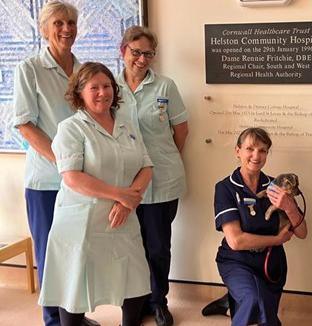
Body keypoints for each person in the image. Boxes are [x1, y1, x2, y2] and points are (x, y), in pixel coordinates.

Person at [38, 62, 153, 326]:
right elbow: (71, 176)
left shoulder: (126, 124)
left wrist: (127, 202)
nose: (103, 92)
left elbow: (147, 166)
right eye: (94, 88)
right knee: (75, 284)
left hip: (121, 216)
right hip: (82, 220)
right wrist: (121, 195)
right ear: (79, 93)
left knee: (134, 278)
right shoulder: (71, 128)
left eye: (107, 86)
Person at [11, 2, 97, 325]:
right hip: (47, 181)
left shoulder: (84, 70)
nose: (66, 29)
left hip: (83, 181)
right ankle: (53, 320)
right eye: (59, 23)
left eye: (71, 23)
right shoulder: (29, 68)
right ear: (45, 29)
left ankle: (74, 315)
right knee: (51, 256)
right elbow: (25, 124)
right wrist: (63, 161)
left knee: (78, 253)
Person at [116, 26, 189, 326]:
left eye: (148, 54)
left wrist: (165, 158)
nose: (142, 59)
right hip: (124, 183)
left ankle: (158, 301)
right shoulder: (110, 87)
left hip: (161, 182)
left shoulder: (166, 86)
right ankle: (135, 302)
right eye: (136, 52)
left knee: (158, 247)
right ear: (123, 51)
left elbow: (181, 131)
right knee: (130, 247)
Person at [214, 127, 307, 326]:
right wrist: (276, 240)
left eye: (263, 150)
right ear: (237, 151)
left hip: (270, 264)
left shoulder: (276, 186)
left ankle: (231, 304)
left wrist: (289, 207)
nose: (256, 156)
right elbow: (236, 241)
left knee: (265, 315)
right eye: (250, 149)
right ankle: (236, 301)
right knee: (254, 301)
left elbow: (302, 232)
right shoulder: (225, 188)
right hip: (237, 261)